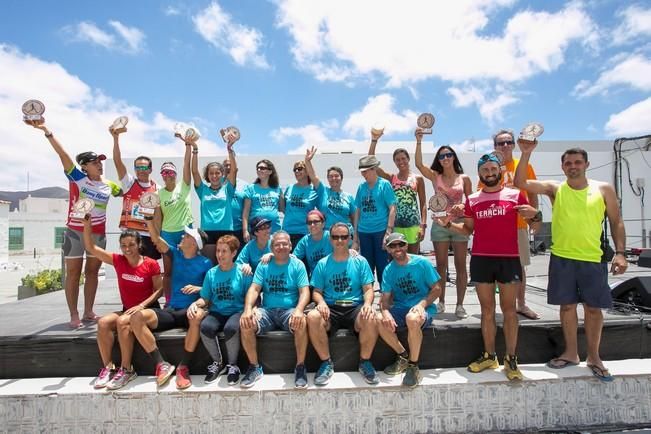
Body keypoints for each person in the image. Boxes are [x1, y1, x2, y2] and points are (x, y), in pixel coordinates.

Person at [514, 143, 627, 382]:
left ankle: (594, 357)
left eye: (577, 162)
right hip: (562, 257)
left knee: (593, 309)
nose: (573, 167)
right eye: (568, 163)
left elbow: (616, 221)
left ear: (586, 164)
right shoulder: (556, 188)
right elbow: (521, 182)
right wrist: (525, 154)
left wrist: (620, 253)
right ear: (562, 167)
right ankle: (572, 353)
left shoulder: (603, 189)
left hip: (592, 259)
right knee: (566, 307)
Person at [438, 153, 538, 381]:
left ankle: (511, 359)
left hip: (508, 259)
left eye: (493, 169)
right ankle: (490, 355)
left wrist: (537, 214)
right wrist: (449, 224)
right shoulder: (472, 199)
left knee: (509, 310)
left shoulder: (515, 195)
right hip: (482, 259)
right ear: (480, 174)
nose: (490, 173)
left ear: (499, 171)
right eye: (485, 170)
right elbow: (468, 230)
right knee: (487, 311)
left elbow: (536, 224)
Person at [25, 119, 121, 328]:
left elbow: (127, 192)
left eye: (100, 161)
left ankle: (88, 312)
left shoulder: (109, 185)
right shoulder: (77, 178)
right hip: (75, 232)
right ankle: (73, 314)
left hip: (98, 234)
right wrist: (46, 130)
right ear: (85, 166)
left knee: (93, 273)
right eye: (95, 162)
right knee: (74, 273)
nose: (100, 164)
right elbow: (63, 155)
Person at [129, 219, 213, 389]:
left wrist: (198, 289)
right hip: (171, 309)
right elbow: (156, 239)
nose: (183, 236)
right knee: (137, 318)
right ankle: (161, 364)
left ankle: (183, 366)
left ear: (195, 243)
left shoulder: (206, 263)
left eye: (187, 235)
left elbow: (210, 293)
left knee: (197, 316)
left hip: (189, 311)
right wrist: (150, 220)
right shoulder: (175, 253)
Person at [82, 216, 162, 390]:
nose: (128, 249)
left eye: (131, 245)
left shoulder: (151, 264)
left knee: (121, 321)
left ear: (139, 244)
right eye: (124, 246)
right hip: (127, 310)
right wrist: (87, 225)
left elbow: (159, 290)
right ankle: (108, 368)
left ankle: (126, 370)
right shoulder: (118, 261)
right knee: (103, 323)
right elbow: (91, 247)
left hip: (147, 311)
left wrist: (141, 305)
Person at [307, 223, 380, 385]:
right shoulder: (322, 264)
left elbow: (368, 289)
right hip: (331, 308)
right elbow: (316, 292)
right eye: (335, 237)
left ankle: (365, 362)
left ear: (350, 238)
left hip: (354, 307)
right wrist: (320, 302)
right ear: (330, 239)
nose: (339, 240)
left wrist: (368, 304)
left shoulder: (360, 262)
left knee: (371, 316)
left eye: (343, 237)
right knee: (312, 316)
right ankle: (326, 363)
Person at [479, 129, 540, 320]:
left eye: (508, 142)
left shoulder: (524, 165)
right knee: (495, 267)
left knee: (520, 266)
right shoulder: (489, 168)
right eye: (500, 143)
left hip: (518, 224)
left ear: (514, 144)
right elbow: (481, 194)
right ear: (495, 146)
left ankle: (521, 304)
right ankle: (500, 308)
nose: (505, 146)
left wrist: (534, 218)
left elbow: (533, 193)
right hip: (495, 225)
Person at [239, 231, 311, 388]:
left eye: (285, 243)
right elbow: (254, 289)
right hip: (267, 311)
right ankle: (254, 367)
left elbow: (304, 291)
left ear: (291, 246)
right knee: (245, 322)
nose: (281, 247)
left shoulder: (298, 264)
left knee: (301, 321)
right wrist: (248, 309)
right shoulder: (264, 265)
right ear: (271, 248)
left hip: (289, 310)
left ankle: (300, 367)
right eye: (277, 244)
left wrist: (299, 310)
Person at [415, 131, 472, 319]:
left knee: (461, 265)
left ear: (453, 157)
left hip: (459, 224)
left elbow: (471, 201)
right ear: (438, 160)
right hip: (440, 224)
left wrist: (462, 205)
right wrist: (419, 141)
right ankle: (441, 302)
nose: (445, 158)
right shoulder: (435, 176)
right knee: (440, 266)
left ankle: (460, 305)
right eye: (441, 156)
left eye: (448, 155)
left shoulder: (464, 178)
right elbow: (418, 164)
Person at [377, 233, 442, 388]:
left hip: (422, 308)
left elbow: (437, 289)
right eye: (393, 245)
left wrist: (422, 305)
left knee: (412, 318)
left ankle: (413, 366)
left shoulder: (422, 263)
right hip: (400, 308)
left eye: (400, 244)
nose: (397, 248)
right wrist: (385, 312)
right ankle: (403, 355)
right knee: (377, 318)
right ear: (388, 249)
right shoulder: (388, 270)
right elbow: (384, 299)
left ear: (406, 245)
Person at [190, 235, 251, 385]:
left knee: (231, 328)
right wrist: (195, 304)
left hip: (237, 310)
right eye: (218, 251)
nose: (220, 254)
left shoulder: (242, 272)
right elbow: (205, 298)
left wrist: (251, 309)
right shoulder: (211, 273)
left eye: (224, 251)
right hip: (217, 311)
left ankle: (233, 365)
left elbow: (253, 295)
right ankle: (218, 363)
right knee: (205, 326)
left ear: (234, 253)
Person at [369, 130, 427, 254]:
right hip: (396, 226)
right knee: (395, 259)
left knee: (412, 260)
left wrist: (423, 225)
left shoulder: (418, 179)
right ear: (394, 162)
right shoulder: (391, 178)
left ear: (408, 159)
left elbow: (423, 204)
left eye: (403, 158)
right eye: (397, 160)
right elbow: (371, 164)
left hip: (413, 225)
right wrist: (374, 140)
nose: (401, 162)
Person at [111, 125, 160, 259]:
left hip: (150, 235)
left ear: (150, 169)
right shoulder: (129, 183)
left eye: (144, 167)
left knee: (149, 273)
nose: (141, 170)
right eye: (137, 167)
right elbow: (117, 162)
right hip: (130, 235)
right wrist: (116, 138)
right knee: (132, 272)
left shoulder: (158, 189)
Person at [157, 133, 194, 303]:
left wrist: (187, 146)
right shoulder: (159, 193)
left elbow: (187, 164)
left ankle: (190, 299)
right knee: (169, 271)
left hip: (185, 232)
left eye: (171, 171)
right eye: (164, 172)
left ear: (175, 174)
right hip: (167, 235)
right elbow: (158, 218)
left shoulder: (184, 186)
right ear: (162, 175)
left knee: (187, 268)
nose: (168, 174)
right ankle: (169, 301)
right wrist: (157, 238)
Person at [354, 155, 397, 284]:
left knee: (382, 265)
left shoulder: (384, 185)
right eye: (362, 171)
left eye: (365, 171)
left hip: (380, 231)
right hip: (364, 232)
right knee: (366, 266)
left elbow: (392, 208)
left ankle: (385, 297)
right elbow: (357, 211)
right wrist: (355, 236)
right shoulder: (361, 187)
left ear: (374, 169)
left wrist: (388, 232)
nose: (363, 174)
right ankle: (368, 297)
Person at [192, 140, 238, 244]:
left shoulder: (228, 189)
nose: (214, 176)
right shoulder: (203, 190)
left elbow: (234, 170)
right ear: (207, 176)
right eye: (211, 173)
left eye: (217, 173)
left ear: (222, 174)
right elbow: (194, 172)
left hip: (226, 231)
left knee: (225, 260)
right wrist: (195, 149)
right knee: (209, 261)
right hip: (207, 231)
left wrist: (230, 150)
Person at [242, 159, 284, 241]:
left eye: (262, 168)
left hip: (274, 230)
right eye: (258, 168)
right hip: (257, 231)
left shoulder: (277, 189)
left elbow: (283, 209)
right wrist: (245, 230)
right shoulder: (250, 188)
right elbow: (245, 213)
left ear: (270, 171)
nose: (259, 170)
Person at [283, 157, 319, 247]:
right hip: (287, 231)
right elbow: (284, 208)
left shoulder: (314, 190)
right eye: (295, 170)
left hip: (305, 232)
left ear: (307, 171)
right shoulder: (289, 188)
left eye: (300, 169)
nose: (297, 172)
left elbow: (321, 211)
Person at [293, 210, 332, 276]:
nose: (312, 225)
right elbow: (294, 258)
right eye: (309, 222)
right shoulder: (305, 240)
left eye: (316, 222)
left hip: (332, 276)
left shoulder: (331, 236)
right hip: (315, 279)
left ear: (323, 224)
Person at [223, 158, 247, 251]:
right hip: (223, 229)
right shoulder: (217, 184)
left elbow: (248, 208)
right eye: (226, 165)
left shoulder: (245, 185)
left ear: (236, 168)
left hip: (239, 229)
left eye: (230, 165)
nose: (228, 167)